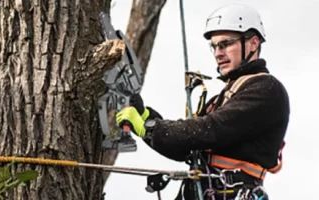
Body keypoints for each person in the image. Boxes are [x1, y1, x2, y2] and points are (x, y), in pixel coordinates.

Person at [116, 4, 290, 200]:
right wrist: (146, 117)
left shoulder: (266, 90)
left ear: (253, 43)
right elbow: (188, 147)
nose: (218, 53)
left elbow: (209, 130)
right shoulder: (226, 96)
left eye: (226, 44)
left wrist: (149, 129)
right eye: (214, 46)